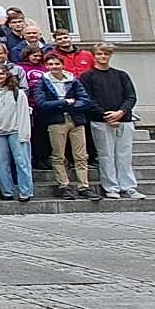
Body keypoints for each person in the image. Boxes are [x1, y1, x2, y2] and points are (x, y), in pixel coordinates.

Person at [34, 52, 98, 200]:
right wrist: (64, 103)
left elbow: (85, 99)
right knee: (58, 155)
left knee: (81, 155)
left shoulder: (73, 81)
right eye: (50, 64)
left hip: (75, 119)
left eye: (57, 64)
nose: (54, 67)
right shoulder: (43, 82)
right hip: (56, 121)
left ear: (62, 65)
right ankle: (64, 185)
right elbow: (42, 103)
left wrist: (73, 105)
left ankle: (84, 186)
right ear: (46, 66)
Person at [82, 45, 143, 199]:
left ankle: (128, 186)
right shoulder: (87, 76)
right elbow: (88, 99)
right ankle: (111, 187)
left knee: (124, 154)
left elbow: (131, 96)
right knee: (106, 155)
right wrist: (106, 116)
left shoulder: (121, 75)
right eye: (100, 54)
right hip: (100, 121)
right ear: (94, 56)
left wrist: (121, 113)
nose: (103, 57)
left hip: (124, 120)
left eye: (106, 54)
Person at [0, 62, 34, 202]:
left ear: (7, 75)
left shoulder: (18, 93)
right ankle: (7, 191)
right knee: (0, 164)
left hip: (16, 130)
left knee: (22, 162)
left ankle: (25, 191)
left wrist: (24, 134)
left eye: (1, 74)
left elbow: (23, 114)